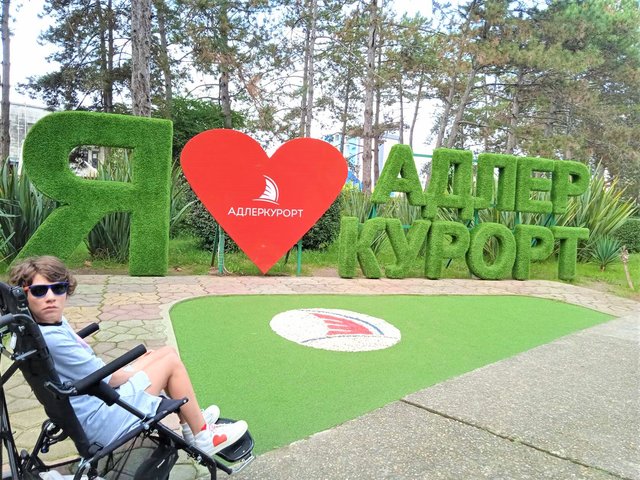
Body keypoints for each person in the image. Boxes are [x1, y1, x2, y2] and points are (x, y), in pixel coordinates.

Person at [9, 256, 247, 457]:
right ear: (24, 295)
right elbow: (109, 379)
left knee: (166, 353)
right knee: (169, 362)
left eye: (58, 288)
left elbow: (100, 374)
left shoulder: (38, 327)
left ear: (66, 290)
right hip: (102, 416)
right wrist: (137, 368)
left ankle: (193, 422)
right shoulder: (52, 339)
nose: (50, 297)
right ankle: (203, 437)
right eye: (39, 291)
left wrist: (140, 366)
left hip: (90, 403)